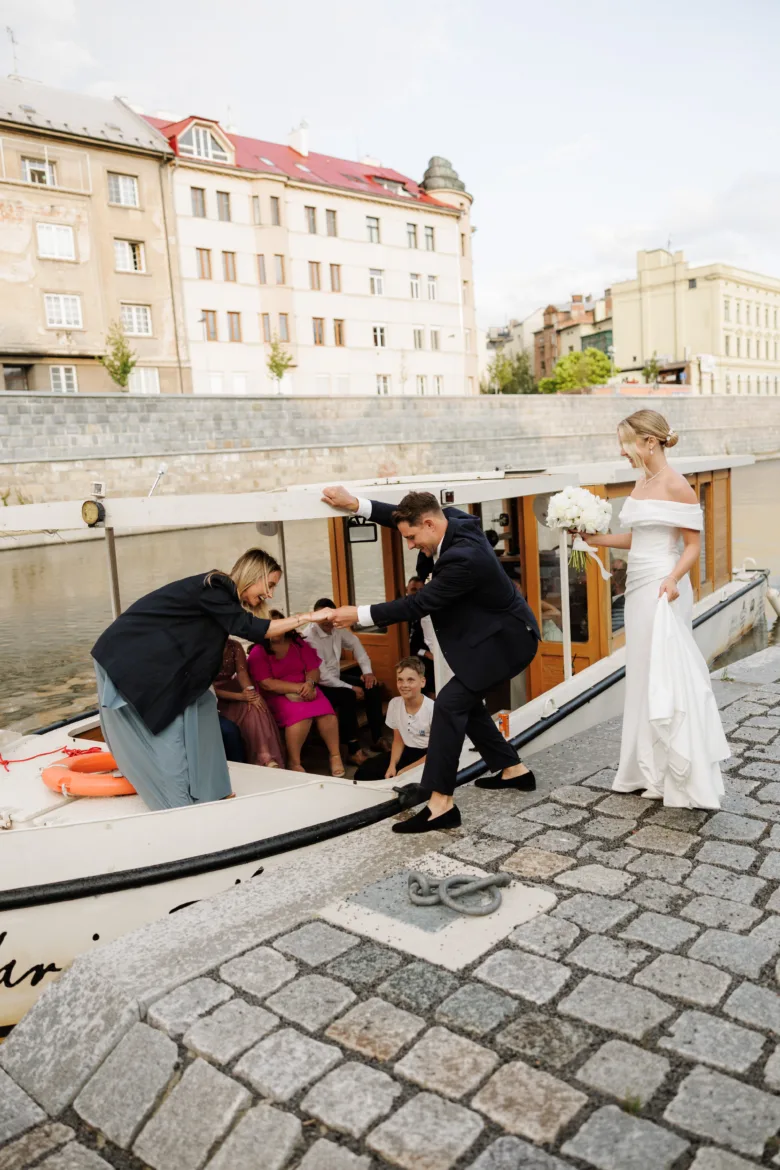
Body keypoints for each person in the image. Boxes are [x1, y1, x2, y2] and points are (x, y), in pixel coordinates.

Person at [321, 486, 540, 833]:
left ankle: (441, 805)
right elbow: (402, 515)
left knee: (450, 704)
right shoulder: (449, 518)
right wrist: (356, 505)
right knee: (467, 705)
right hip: (493, 635)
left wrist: (358, 614)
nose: (409, 545)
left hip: (506, 643)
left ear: (429, 525)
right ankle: (513, 770)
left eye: (411, 538)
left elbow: (418, 604)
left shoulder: (464, 557)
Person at [90, 549, 333, 811]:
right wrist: (307, 617)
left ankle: (212, 792)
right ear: (255, 574)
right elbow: (250, 628)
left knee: (204, 705)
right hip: (126, 660)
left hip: (158, 668)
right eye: (270, 585)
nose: (271, 594)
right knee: (169, 739)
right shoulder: (216, 586)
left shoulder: (221, 600)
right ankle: (178, 807)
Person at [577, 409, 727, 808]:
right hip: (639, 584)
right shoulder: (641, 482)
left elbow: (692, 545)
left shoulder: (678, 485)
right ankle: (642, 770)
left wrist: (674, 578)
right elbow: (639, 537)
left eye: (626, 444)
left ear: (649, 441)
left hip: (664, 586)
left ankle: (670, 772)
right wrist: (597, 539)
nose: (622, 452)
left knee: (664, 671)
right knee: (642, 673)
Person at [248, 611, 345, 776]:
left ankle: (335, 756)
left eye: (278, 626)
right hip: (277, 695)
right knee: (301, 716)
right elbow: (267, 683)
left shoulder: (297, 643)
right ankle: (294, 762)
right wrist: (298, 688)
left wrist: (310, 684)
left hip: (307, 687)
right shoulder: (258, 651)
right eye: (270, 627)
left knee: (327, 715)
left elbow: (313, 669)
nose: (275, 630)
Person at [303, 598, 385, 764]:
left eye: (329, 617)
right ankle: (353, 750)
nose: (327, 621)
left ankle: (378, 738)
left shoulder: (336, 628)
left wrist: (367, 672)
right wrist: (351, 687)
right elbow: (323, 676)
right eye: (322, 617)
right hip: (318, 683)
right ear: (315, 616)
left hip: (335, 677)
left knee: (372, 686)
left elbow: (355, 643)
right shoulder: (309, 637)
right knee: (348, 695)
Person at [354, 657, 433, 781]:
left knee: (409, 782)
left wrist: (406, 771)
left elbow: (436, 752)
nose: (404, 685)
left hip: (429, 757)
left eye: (410, 680)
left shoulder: (433, 709)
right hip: (406, 751)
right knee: (364, 771)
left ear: (422, 682)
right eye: (400, 680)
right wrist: (392, 766)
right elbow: (398, 740)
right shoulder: (394, 704)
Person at [213, 638, 285, 768]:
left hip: (232, 687)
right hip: (213, 695)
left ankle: (265, 755)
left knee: (255, 705)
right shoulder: (203, 646)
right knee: (247, 705)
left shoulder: (234, 646)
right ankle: (262, 757)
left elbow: (242, 672)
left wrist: (250, 692)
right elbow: (207, 688)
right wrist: (240, 696)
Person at [407, 576, 435, 695]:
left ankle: (432, 697)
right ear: (407, 590)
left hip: (422, 650)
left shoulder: (428, 612)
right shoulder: (402, 612)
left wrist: (428, 653)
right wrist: (426, 653)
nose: (417, 594)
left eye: (420, 591)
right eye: (413, 590)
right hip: (405, 650)